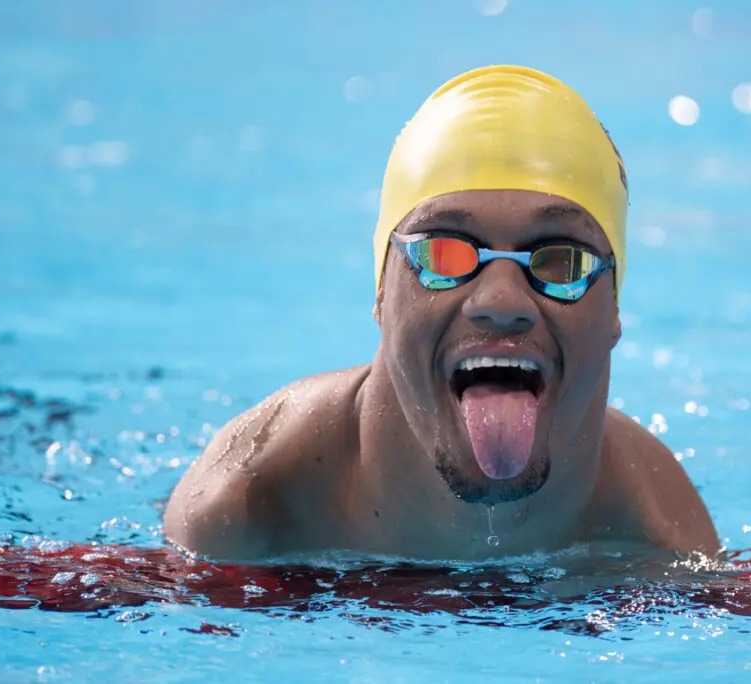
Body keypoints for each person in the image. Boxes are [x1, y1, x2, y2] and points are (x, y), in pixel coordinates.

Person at [164, 65, 718, 561]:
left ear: (615, 304)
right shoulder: (246, 511)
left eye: (560, 261)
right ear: (382, 291)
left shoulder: (659, 543)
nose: (501, 302)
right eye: (446, 253)